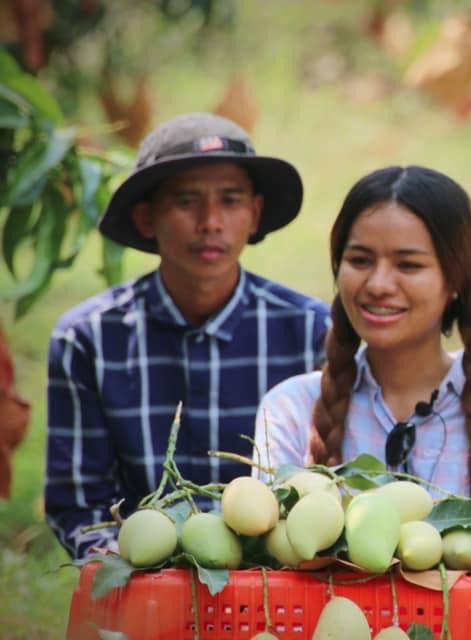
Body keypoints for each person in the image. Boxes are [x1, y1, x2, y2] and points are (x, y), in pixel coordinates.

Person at [253, 165, 471, 638]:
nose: (379, 283)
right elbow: (266, 583)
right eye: (360, 260)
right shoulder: (291, 408)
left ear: (455, 280)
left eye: (409, 265)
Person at [45, 113, 329, 559]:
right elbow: (80, 506)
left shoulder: (312, 331)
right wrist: (128, 565)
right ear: (146, 217)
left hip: (277, 582)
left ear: (254, 215)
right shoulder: (90, 339)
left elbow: (327, 492)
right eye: (185, 201)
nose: (210, 221)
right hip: (141, 578)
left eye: (230, 200)